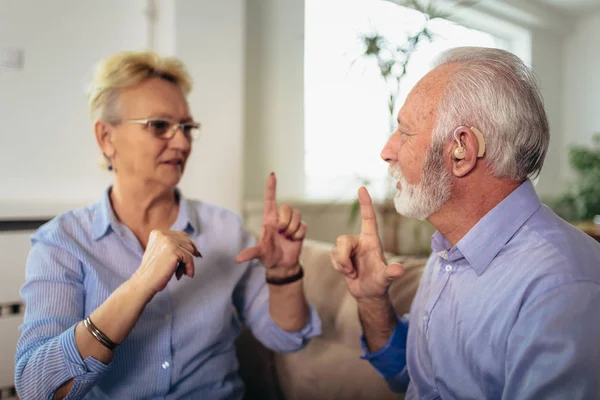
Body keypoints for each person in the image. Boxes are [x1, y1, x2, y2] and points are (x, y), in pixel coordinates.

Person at [15, 50, 321, 399]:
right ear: (106, 137)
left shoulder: (226, 230)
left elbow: (287, 337)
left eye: (187, 128)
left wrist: (283, 274)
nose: (181, 142)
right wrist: (141, 283)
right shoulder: (61, 242)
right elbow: (37, 388)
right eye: (159, 126)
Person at [330, 46, 600, 399]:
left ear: (461, 149)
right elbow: (411, 376)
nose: (387, 150)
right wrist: (370, 299)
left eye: (405, 132)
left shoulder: (562, 286)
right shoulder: (448, 250)